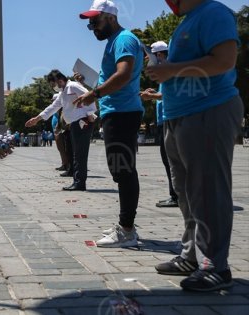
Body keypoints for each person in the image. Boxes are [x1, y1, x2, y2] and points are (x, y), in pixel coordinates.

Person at [146, 0, 243, 291]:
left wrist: (171, 70)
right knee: (186, 191)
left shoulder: (213, 12)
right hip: (180, 115)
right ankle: (191, 255)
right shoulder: (187, 21)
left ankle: (216, 266)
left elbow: (225, 60)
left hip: (208, 110)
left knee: (209, 190)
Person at [75, 0, 144, 247]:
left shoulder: (124, 39)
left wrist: (94, 94)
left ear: (111, 17)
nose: (92, 26)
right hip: (119, 111)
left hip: (123, 112)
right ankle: (126, 224)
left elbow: (124, 74)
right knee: (121, 169)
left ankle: (126, 230)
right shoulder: (116, 41)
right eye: (90, 23)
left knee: (123, 170)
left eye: (95, 21)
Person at [26, 69, 97, 191]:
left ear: (60, 80)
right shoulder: (63, 92)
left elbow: (90, 97)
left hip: (82, 122)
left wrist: (90, 114)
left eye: (53, 84)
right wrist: (37, 118)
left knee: (79, 154)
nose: (53, 87)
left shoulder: (73, 86)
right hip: (75, 123)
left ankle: (79, 183)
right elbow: (53, 107)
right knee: (76, 153)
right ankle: (78, 181)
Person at [139, 41, 178, 208]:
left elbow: (171, 93)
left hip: (170, 119)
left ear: (159, 55)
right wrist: (154, 93)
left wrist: (152, 97)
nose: (148, 60)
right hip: (164, 120)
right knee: (167, 159)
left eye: (150, 56)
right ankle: (175, 194)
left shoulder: (169, 69)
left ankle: (177, 196)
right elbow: (164, 92)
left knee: (171, 160)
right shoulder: (165, 71)